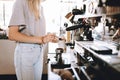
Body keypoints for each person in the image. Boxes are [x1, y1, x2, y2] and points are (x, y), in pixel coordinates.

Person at [8, 0, 58, 80]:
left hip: (39, 52)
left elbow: (36, 35)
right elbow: (12, 34)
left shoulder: (40, 7)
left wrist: (49, 37)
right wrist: (42, 39)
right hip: (26, 52)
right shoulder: (20, 2)